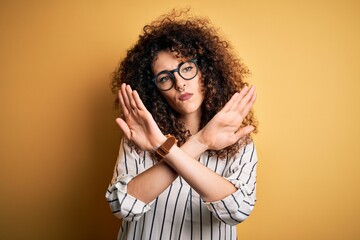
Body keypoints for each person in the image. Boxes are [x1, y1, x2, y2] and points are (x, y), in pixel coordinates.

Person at [106, 9, 258, 240]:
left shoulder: (238, 141)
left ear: (205, 72)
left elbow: (237, 209)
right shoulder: (139, 138)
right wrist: (200, 142)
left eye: (187, 68)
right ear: (155, 89)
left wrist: (165, 148)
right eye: (165, 78)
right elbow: (123, 206)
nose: (180, 84)